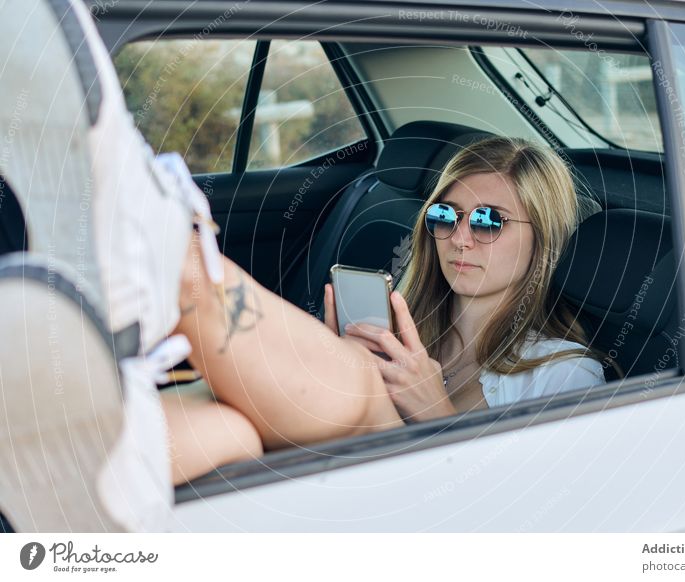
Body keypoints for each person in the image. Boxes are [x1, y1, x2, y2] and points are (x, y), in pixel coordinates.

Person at [0, 0, 401, 533]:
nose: (462, 233)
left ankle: (163, 254)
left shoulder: (548, 360)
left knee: (300, 411)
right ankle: (165, 261)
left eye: (491, 221)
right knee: (274, 423)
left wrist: (442, 399)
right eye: (445, 212)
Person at [324, 137, 605, 423]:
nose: (459, 239)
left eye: (489, 221)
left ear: (542, 238)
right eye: (445, 215)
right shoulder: (392, 341)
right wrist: (343, 377)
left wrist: (436, 412)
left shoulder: (565, 374)